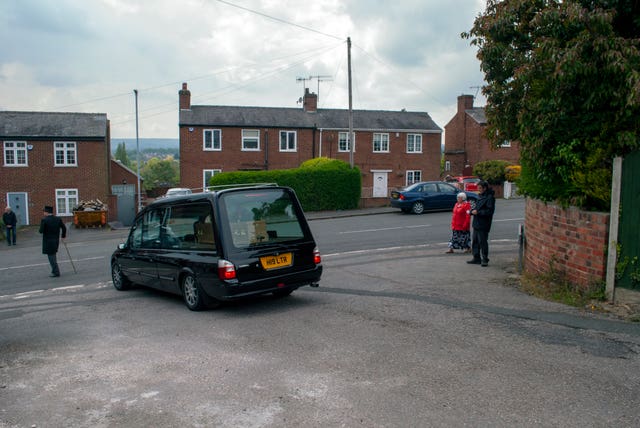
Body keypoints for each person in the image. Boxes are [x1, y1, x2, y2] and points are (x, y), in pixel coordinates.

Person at [467, 180, 495, 267]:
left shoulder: (490, 198)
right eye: (478, 188)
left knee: (482, 242)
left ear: (485, 188)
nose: (478, 189)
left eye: (480, 188)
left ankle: (485, 259)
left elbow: (489, 211)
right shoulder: (480, 196)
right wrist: (472, 211)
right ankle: (476, 258)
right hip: (477, 222)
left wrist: (478, 212)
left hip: (483, 223)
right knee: (475, 241)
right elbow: (476, 207)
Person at [39, 205, 67, 277]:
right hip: (55, 240)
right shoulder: (58, 219)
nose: (43, 213)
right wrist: (63, 236)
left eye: (44, 212)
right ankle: (54, 270)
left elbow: (41, 231)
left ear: (47, 212)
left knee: (51, 257)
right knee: (53, 255)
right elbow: (64, 228)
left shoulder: (44, 220)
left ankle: (56, 272)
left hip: (48, 241)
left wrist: (42, 225)